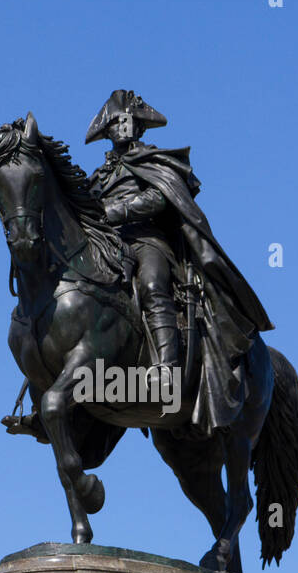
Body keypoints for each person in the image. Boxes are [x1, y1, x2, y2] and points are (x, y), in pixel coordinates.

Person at [86, 89, 273, 434]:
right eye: (115, 122)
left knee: (152, 284)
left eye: (128, 121)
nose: (122, 127)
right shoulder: (98, 177)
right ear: (107, 129)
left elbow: (162, 196)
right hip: (110, 245)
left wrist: (120, 210)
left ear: (139, 127)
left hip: (149, 240)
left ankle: (166, 369)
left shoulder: (156, 161)